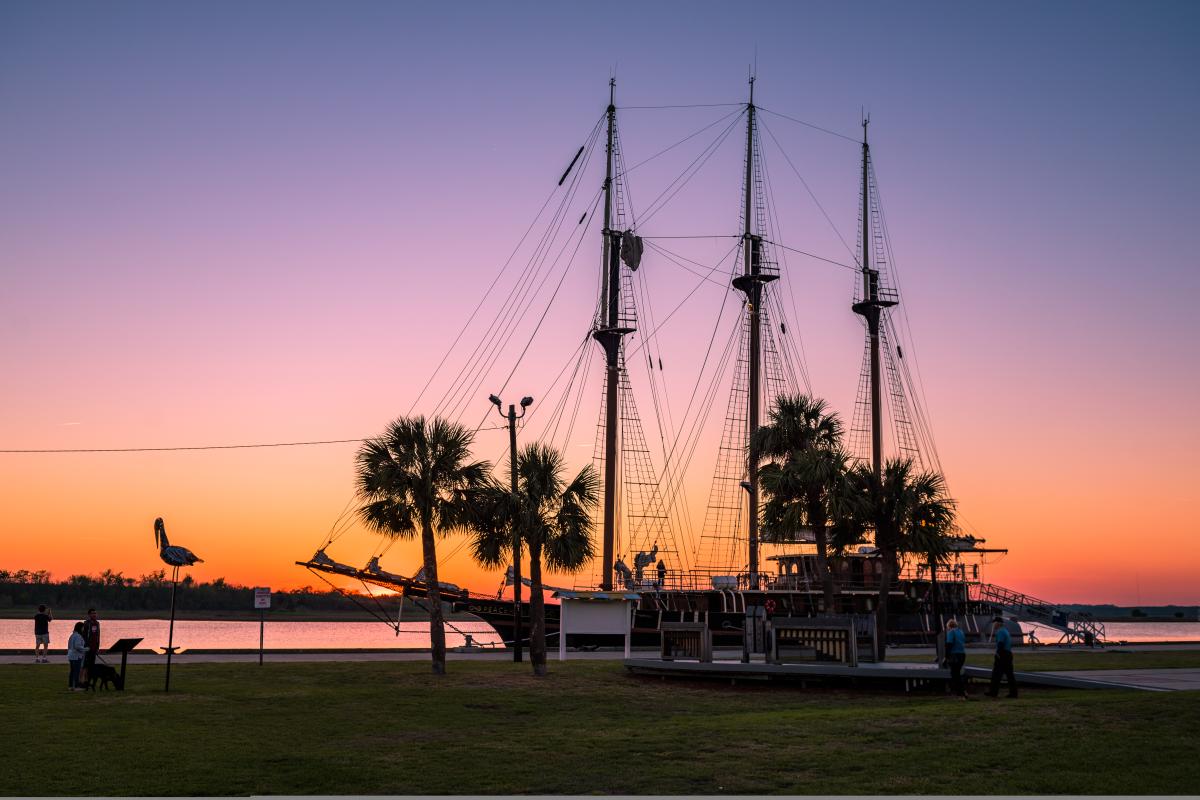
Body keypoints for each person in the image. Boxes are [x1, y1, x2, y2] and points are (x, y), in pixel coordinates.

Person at [986, 616, 1018, 698]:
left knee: (996, 674)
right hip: (1008, 653)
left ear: (997, 623)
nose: (993, 624)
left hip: (1002, 654)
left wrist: (998, 653)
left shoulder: (1000, 632)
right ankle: (1013, 693)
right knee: (1010, 675)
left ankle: (993, 692)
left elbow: (1000, 643)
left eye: (994, 623)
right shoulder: (1005, 631)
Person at [944, 619, 968, 699]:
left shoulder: (951, 632)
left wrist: (946, 657)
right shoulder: (961, 632)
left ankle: (961, 693)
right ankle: (963, 691)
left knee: (955, 675)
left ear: (949, 626)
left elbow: (949, 644)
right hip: (962, 654)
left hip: (954, 655)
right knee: (958, 674)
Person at [81, 608, 101, 686]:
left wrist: (98, 647)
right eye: (92, 613)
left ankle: (89, 681)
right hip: (87, 648)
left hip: (94, 648)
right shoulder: (86, 623)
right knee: (85, 665)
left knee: (91, 666)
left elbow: (98, 636)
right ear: (89, 614)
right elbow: (83, 635)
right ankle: (84, 681)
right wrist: (84, 646)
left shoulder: (97, 623)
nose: (94, 615)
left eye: (95, 613)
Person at [67, 622, 87, 691]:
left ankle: (70, 686)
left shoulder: (72, 635)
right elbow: (77, 646)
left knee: (72, 671)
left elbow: (70, 646)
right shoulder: (78, 636)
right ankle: (76, 686)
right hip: (76, 656)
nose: (84, 629)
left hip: (71, 656)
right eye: (83, 627)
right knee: (76, 671)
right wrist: (86, 649)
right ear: (80, 628)